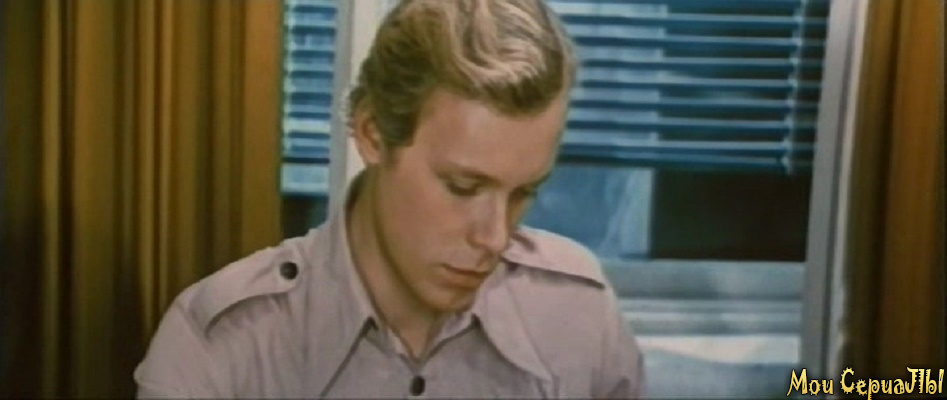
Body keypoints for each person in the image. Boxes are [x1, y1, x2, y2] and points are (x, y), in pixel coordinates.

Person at [134, 0, 644, 397]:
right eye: (463, 188)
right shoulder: (220, 347)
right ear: (373, 133)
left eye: (524, 193)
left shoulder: (580, 317)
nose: (494, 236)